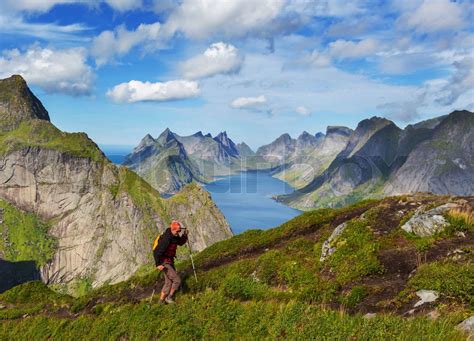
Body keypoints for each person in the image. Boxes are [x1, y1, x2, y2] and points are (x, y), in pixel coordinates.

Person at [153, 220, 188, 304]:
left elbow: (180, 242)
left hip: (170, 260)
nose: (178, 233)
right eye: (177, 231)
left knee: (168, 282)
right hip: (164, 261)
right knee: (177, 280)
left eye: (179, 231)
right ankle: (169, 297)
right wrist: (158, 264)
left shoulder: (174, 236)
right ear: (173, 229)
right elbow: (157, 252)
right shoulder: (166, 239)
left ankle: (160, 301)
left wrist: (185, 235)